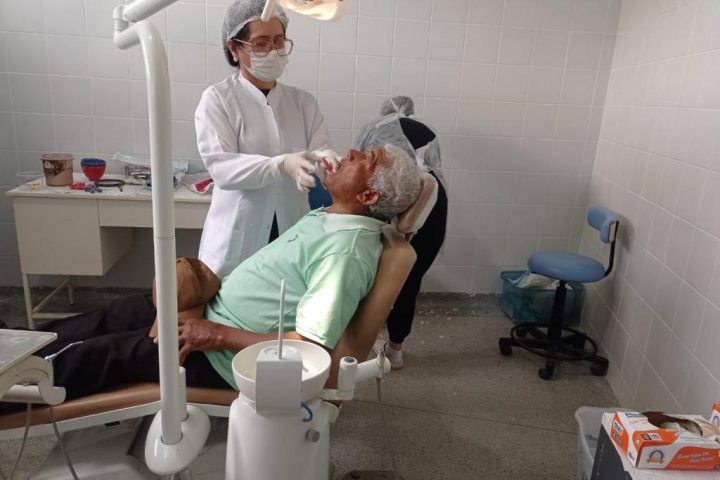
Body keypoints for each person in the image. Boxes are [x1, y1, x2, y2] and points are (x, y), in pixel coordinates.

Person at [0, 145, 420, 411]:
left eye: (364, 159)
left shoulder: (345, 252)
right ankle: (13, 346)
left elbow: (309, 347)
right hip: (205, 315)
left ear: (368, 196)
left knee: (94, 356)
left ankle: (7, 389)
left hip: (220, 356)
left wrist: (215, 334)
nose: (350, 152)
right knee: (104, 319)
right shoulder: (330, 218)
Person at [195, 0, 342, 279]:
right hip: (239, 237)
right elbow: (222, 168)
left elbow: (319, 149)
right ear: (234, 48)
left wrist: (328, 160)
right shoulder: (218, 100)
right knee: (231, 303)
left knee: (283, 298)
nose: (273, 51)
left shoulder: (302, 102)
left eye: (278, 41)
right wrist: (278, 165)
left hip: (291, 229)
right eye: (261, 43)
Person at [355, 96, 448, 370]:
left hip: (387, 201)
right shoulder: (427, 130)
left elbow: (362, 171)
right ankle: (396, 349)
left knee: (371, 281)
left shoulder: (374, 128)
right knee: (410, 281)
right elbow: (433, 167)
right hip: (433, 204)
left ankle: (357, 346)